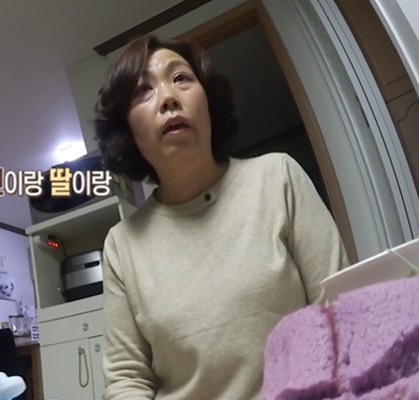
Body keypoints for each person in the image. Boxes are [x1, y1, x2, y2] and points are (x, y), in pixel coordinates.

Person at [93, 34, 349, 400]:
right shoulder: (122, 244)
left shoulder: (278, 178)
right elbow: (125, 379)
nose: (168, 97)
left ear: (208, 104)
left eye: (181, 78)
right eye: (143, 90)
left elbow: (339, 311)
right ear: (128, 132)